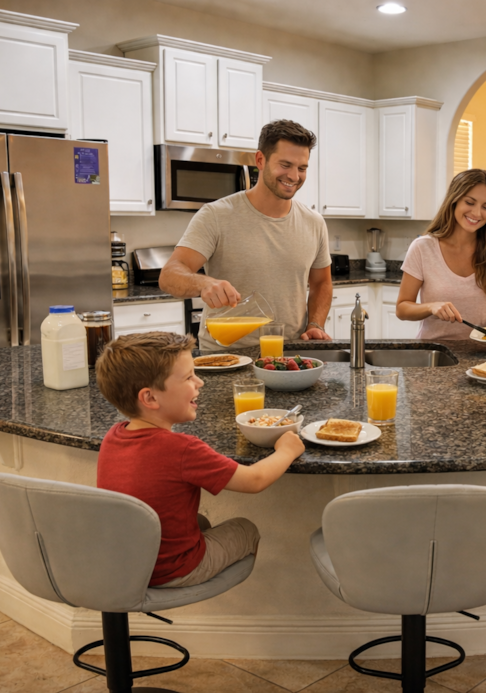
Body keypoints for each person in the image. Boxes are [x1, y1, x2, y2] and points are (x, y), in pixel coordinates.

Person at [94, 331, 304, 588]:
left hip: (124, 563)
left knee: (200, 522)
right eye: (188, 377)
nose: (200, 382)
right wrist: (287, 450)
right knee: (244, 528)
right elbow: (254, 480)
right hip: (170, 570)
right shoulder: (183, 449)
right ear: (150, 398)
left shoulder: (113, 435)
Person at [159, 120, 333, 350]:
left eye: (302, 168)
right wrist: (204, 283)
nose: (294, 176)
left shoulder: (314, 222)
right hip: (226, 356)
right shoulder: (216, 215)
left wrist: (315, 324)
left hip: (289, 355)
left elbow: (321, 283)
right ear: (260, 160)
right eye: (285, 165)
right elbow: (169, 275)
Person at [395, 169, 486, 339]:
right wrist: (430, 307)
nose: (477, 213)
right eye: (469, 202)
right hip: (436, 349)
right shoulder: (422, 248)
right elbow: (402, 308)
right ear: (454, 200)